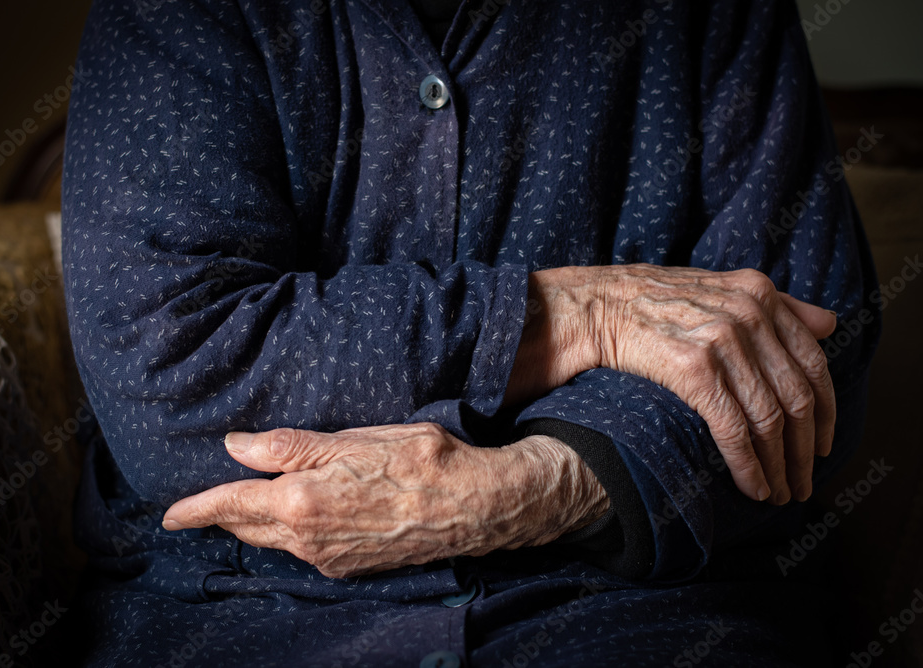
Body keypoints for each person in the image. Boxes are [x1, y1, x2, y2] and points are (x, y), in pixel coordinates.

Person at [60, 0, 880, 665]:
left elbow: (805, 357)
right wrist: (578, 312)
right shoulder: (171, 16)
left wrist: (531, 488)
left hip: (628, 605)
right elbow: (174, 376)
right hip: (238, 605)